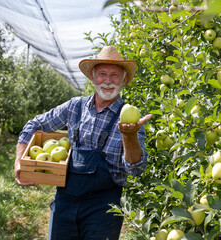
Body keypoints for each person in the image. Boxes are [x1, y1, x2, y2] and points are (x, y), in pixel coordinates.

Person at [14, 46, 152, 240]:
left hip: (103, 209)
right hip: (65, 201)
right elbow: (33, 125)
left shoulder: (130, 120)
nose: (107, 81)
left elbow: (136, 168)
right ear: (92, 77)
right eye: (102, 74)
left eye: (114, 75)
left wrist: (129, 136)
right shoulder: (74, 107)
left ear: (124, 80)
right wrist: (19, 161)